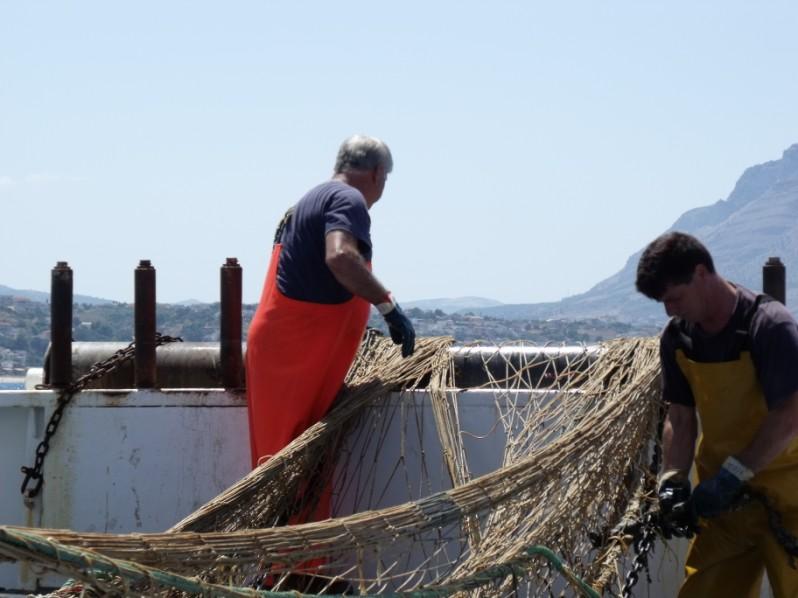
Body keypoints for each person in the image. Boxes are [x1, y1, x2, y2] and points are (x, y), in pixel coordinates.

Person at [246, 134, 416, 487]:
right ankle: (294, 544)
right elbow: (340, 255)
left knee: (285, 468)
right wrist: (388, 306)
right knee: (292, 474)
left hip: (286, 355)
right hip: (296, 360)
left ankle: (291, 541)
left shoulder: (310, 199)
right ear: (377, 173)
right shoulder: (347, 198)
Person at [635, 231, 798, 597]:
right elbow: (680, 416)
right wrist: (673, 478)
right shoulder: (677, 338)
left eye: (674, 298)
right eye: (663, 303)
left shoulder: (769, 325)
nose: (669, 310)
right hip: (725, 509)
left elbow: (789, 416)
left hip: (791, 500)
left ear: (701, 274)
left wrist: (733, 475)